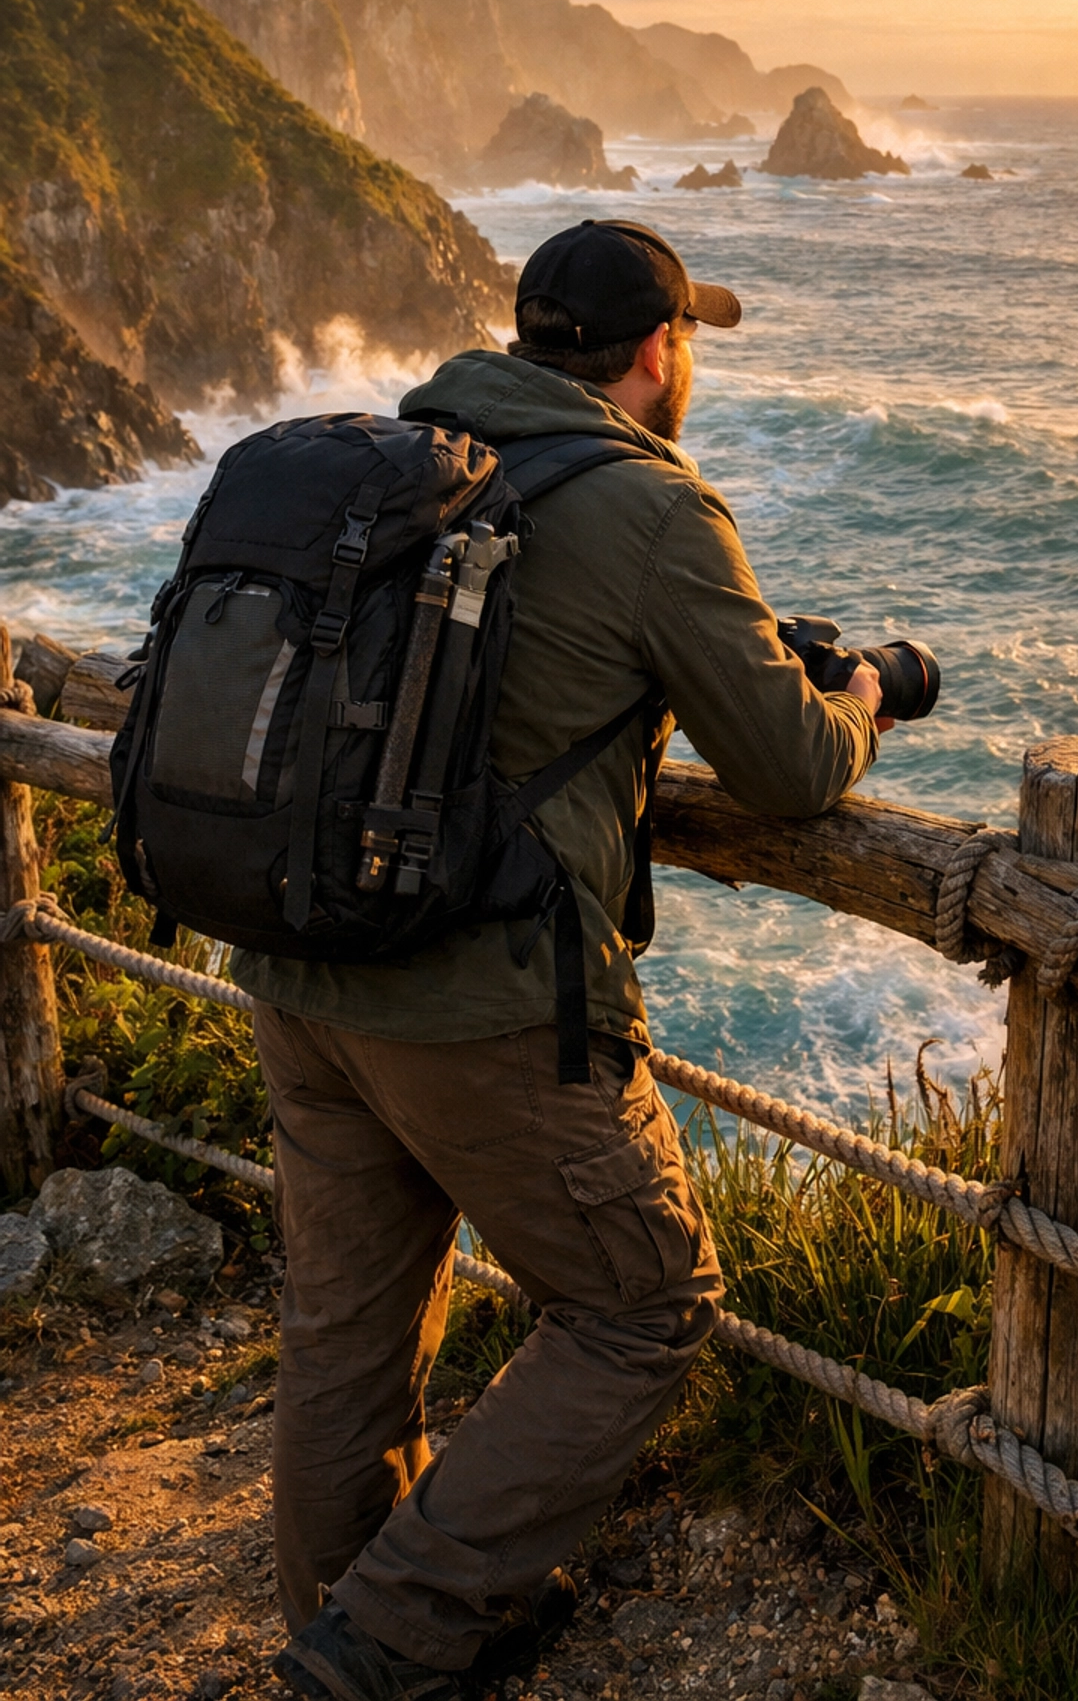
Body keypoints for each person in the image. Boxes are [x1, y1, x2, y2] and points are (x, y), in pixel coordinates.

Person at [234, 219, 886, 1701]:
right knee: (643, 1302)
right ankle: (379, 1651)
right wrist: (857, 696)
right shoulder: (656, 511)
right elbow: (787, 765)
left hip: (305, 965)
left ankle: (344, 1626)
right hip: (483, 1001)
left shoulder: (411, 451)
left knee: (348, 1321)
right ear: (659, 354)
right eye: (688, 340)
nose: (688, 362)